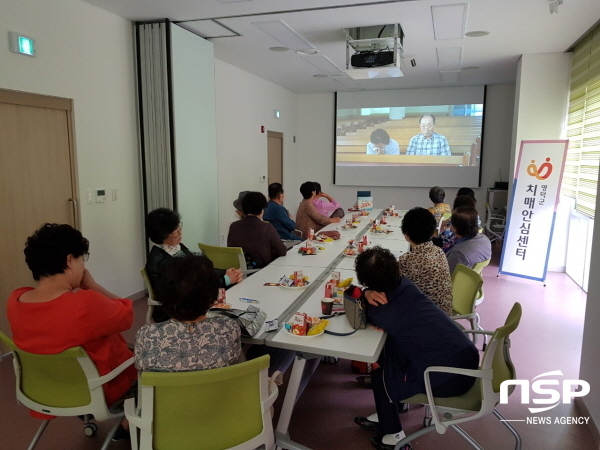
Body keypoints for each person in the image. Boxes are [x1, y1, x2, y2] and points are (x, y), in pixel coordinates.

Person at [353, 247, 479, 450]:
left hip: (451, 378)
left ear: (368, 282)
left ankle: (394, 436)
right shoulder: (406, 285)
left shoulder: (381, 312)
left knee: (380, 373)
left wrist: (364, 294)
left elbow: (356, 306)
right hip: (465, 357)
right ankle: (393, 410)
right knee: (392, 351)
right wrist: (368, 291)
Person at [7, 224, 137, 413]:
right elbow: (128, 314)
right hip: (96, 390)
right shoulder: (86, 304)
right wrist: (93, 286)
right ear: (69, 260)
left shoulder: (15, 301)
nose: (83, 265)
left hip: (46, 390)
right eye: (81, 259)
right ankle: (127, 423)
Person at [135, 255, 242, 372]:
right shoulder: (229, 329)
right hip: (216, 390)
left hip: (169, 390)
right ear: (212, 298)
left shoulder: (146, 336)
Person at [145, 208, 243, 321]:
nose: (179, 232)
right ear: (163, 235)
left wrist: (226, 272)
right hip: (175, 310)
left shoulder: (176, 248)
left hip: (187, 302)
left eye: (179, 227)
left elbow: (198, 270)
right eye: (175, 230)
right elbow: (191, 286)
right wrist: (225, 280)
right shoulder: (161, 261)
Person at [366, 208, 452, 315]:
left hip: (425, 317)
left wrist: (366, 291)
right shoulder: (438, 251)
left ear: (406, 234)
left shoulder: (408, 259)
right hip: (444, 313)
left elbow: (388, 289)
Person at [227, 191, 287, 268]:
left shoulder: (233, 226)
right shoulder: (267, 227)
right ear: (262, 210)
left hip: (238, 272)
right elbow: (281, 251)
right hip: (261, 271)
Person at [446, 206, 492, 274]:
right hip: (471, 278)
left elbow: (446, 274)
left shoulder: (459, 252)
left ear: (455, 228)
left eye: (451, 223)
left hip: (456, 281)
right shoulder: (485, 240)